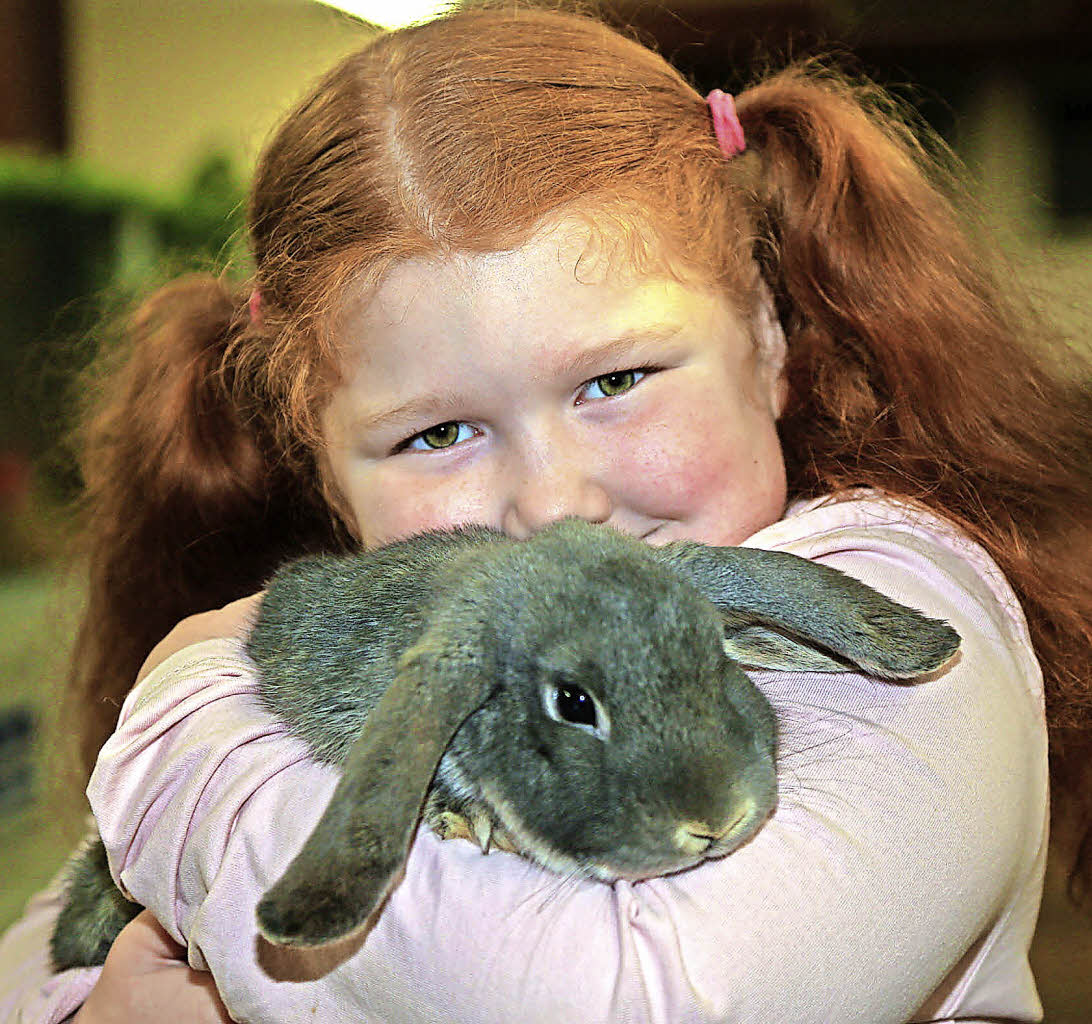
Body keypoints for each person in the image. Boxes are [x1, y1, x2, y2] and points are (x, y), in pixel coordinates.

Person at [2, 4, 1090, 1021]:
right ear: (324, 473)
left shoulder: (907, 602)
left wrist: (184, 726)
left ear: (765, 339)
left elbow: (629, 999)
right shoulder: (395, 642)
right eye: (436, 434)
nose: (557, 501)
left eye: (615, 380)